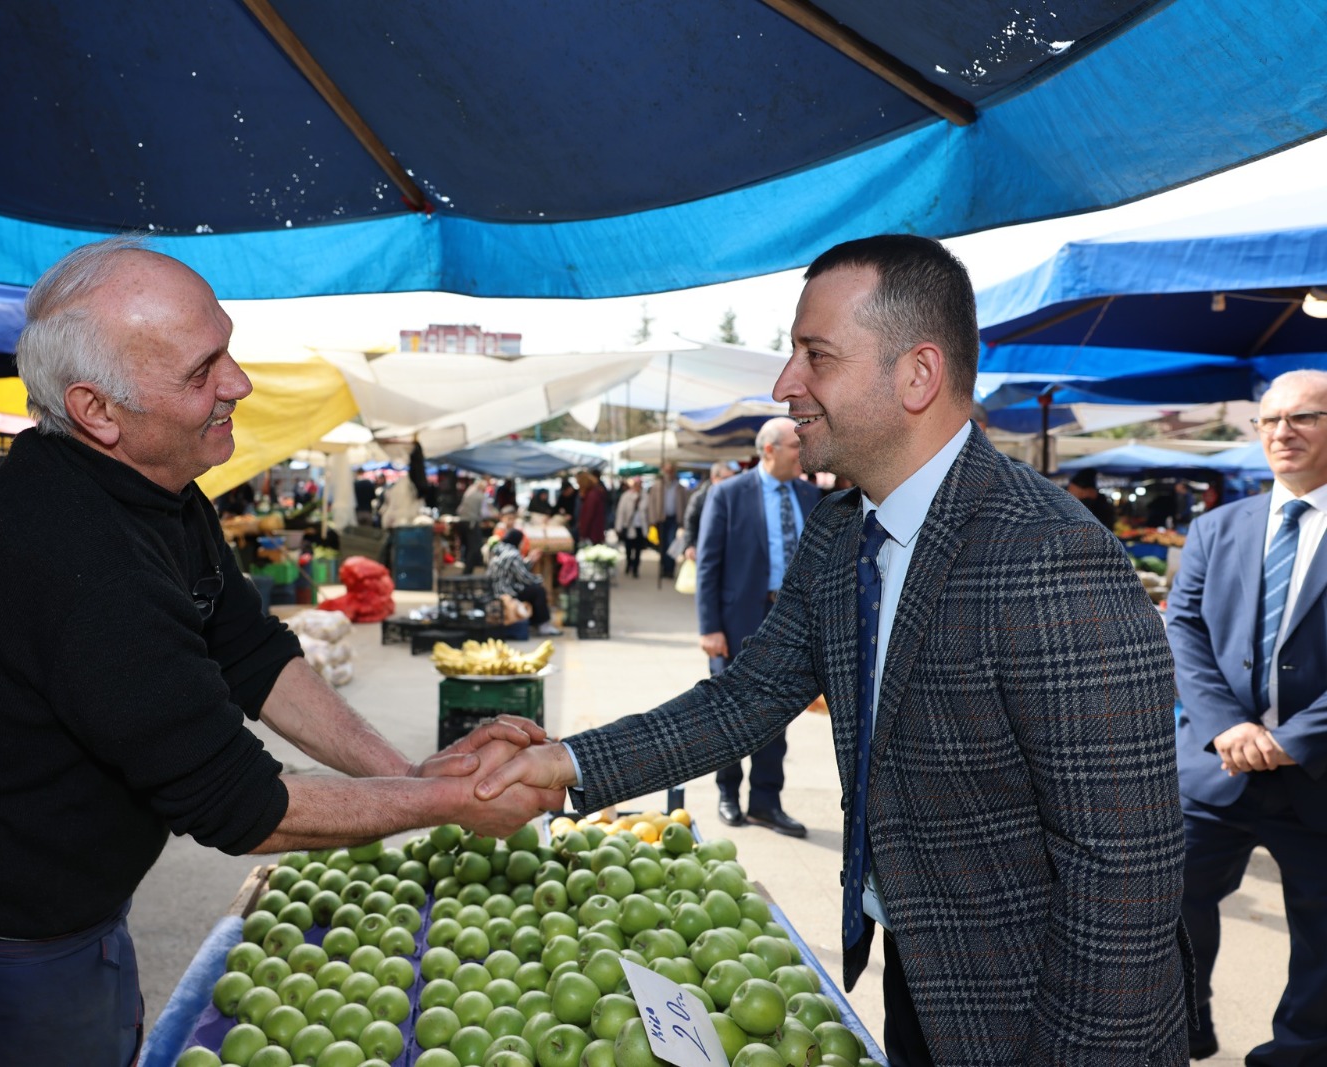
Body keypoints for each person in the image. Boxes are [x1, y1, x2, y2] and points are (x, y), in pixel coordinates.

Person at [479, 234, 1191, 1066]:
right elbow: (745, 698)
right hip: (919, 969)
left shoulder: (1047, 555)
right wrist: (561, 763)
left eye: (816, 356)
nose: (785, 385)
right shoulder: (840, 529)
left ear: (917, 375)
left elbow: (1123, 867)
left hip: (1038, 1004)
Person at [0, 237, 557, 1066]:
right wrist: (451, 803)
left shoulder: (153, 493)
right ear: (96, 410)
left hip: (74, 920)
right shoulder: (72, 558)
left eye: (227, 348)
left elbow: (253, 653)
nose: (238, 382)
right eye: (202, 371)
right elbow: (245, 807)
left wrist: (405, 773)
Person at [1165, 368, 1327, 1064]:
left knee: (1323, 940)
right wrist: (1227, 725)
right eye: (1269, 420)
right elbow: (1183, 632)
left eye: (1304, 418)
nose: (1282, 432)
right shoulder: (1215, 527)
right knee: (1164, 906)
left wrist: (1294, 738)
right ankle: (1181, 1022)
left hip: (1317, 775)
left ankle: (1296, 1052)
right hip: (1214, 765)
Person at [697, 418, 819, 837]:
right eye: (794, 446)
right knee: (730, 712)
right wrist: (710, 627)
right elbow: (708, 565)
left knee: (776, 715)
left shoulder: (810, 494)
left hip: (791, 623)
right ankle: (728, 793)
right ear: (769, 450)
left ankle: (766, 802)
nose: (802, 453)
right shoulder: (728, 494)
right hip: (738, 623)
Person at [487, 527, 562, 636]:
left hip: (497, 590)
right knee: (538, 591)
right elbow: (524, 578)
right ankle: (543, 625)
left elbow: (515, 569)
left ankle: (536, 624)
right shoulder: (512, 554)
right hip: (507, 593)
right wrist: (539, 580)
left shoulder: (498, 550)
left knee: (533, 590)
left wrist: (530, 560)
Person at [644, 461, 692, 579]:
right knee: (663, 544)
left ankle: (670, 568)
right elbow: (652, 503)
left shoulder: (680, 487)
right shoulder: (657, 486)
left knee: (671, 543)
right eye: (666, 470)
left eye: (670, 471)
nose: (668, 473)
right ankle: (664, 567)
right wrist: (653, 519)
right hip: (661, 519)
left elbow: (685, 504)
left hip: (674, 519)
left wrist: (684, 520)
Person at [681, 461, 736, 563]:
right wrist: (689, 546)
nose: (730, 483)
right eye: (725, 479)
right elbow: (690, 523)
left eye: (732, 479)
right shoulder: (699, 498)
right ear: (714, 478)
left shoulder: (736, 498)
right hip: (703, 550)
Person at [613, 475, 649, 578]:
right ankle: (629, 564)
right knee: (628, 548)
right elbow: (620, 512)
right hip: (629, 526)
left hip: (640, 527)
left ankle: (636, 568)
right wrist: (618, 527)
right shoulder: (626, 496)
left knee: (638, 549)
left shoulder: (645, 496)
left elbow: (648, 512)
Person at [456, 476, 489, 573]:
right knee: (474, 546)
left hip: (462, 522)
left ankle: (466, 566)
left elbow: (459, 509)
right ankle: (468, 570)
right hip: (471, 523)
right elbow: (484, 513)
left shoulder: (468, 492)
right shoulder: (480, 496)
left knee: (466, 545)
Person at [574, 470, 607, 550]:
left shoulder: (592, 496)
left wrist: (583, 533)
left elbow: (588, 516)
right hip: (595, 533)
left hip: (592, 534)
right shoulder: (594, 493)